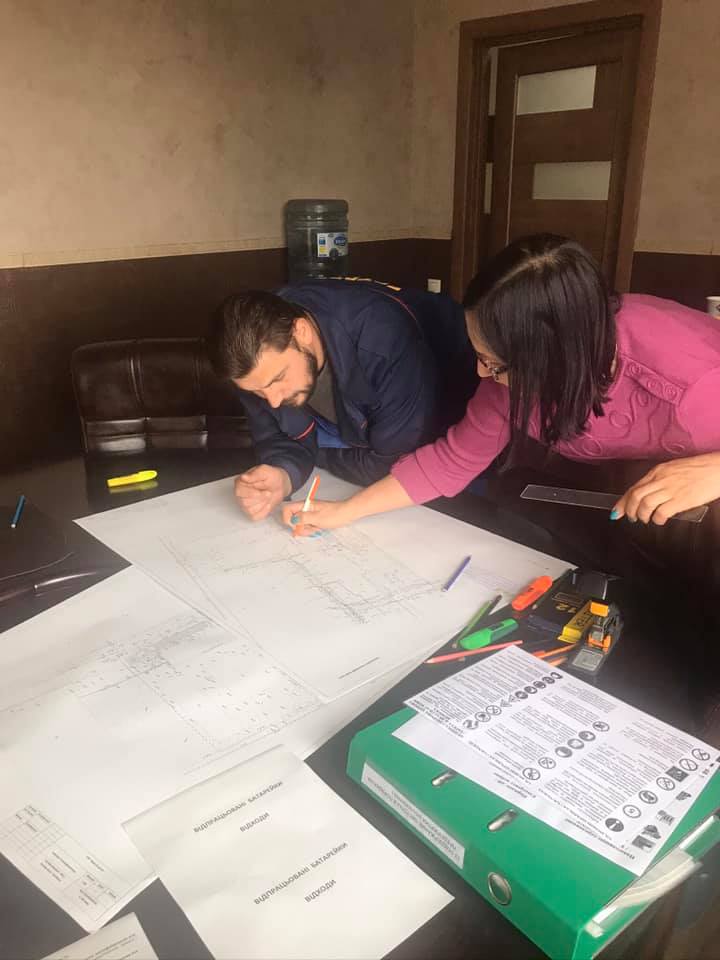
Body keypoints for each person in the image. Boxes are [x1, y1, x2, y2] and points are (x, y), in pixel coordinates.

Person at [282, 234, 720, 534]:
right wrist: (345, 512)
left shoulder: (691, 382)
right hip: (630, 488)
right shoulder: (512, 376)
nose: (482, 374)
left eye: (494, 363)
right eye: (481, 356)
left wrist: (713, 470)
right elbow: (452, 460)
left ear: (555, 354)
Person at [207, 278, 476, 520]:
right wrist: (283, 474)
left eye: (278, 379)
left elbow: (396, 465)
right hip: (365, 413)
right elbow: (277, 438)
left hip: (459, 387)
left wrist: (315, 454)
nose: (273, 402)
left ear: (301, 332)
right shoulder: (252, 356)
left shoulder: (383, 341)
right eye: (257, 392)